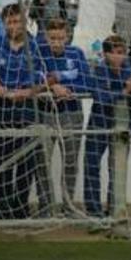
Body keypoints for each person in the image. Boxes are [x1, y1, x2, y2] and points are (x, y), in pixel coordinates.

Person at [0, 3, 47, 219]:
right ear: (4, 23)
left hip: (27, 111)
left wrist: (25, 92)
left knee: (26, 162)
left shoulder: (36, 46)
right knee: (0, 160)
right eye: (10, 22)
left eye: (18, 21)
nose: (14, 26)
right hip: (2, 110)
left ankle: (20, 206)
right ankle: (1, 207)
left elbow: (42, 80)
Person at [84, 35, 131, 217]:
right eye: (118, 53)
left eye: (124, 52)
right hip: (99, 125)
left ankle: (115, 210)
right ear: (106, 54)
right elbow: (101, 98)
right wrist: (125, 90)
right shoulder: (98, 70)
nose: (122, 56)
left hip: (122, 129)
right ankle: (94, 213)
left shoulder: (130, 71)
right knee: (91, 167)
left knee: (117, 169)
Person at [39, 18, 92, 210]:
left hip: (72, 113)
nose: (56, 42)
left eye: (60, 38)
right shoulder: (39, 53)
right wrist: (53, 86)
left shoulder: (76, 53)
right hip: (45, 114)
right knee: (42, 163)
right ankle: (47, 206)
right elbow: (33, 78)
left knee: (70, 162)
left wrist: (66, 88)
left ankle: (69, 206)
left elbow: (88, 82)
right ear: (46, 37)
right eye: (52, 38)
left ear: (67, 36)